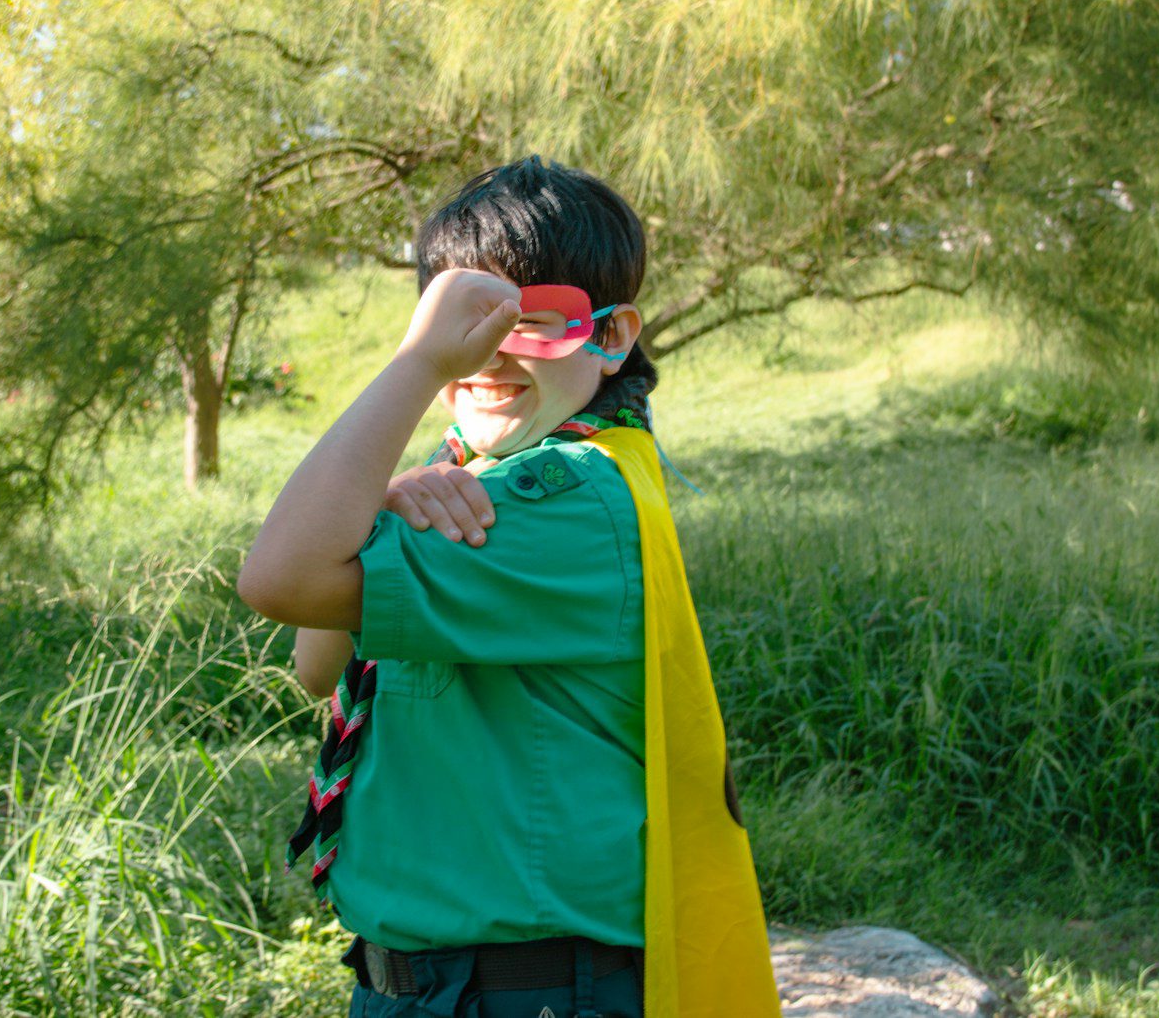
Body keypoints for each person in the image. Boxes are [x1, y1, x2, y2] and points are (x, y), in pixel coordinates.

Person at [237, 156, 781, 1018]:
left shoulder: (563, 501)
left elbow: (279, 579)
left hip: (520, 994)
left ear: (610, 336)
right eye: (465, 322)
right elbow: (316, 662)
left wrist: (417, 368)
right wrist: (386, 499)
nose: (489, 353)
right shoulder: (469, 487)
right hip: (425, 984)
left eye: (536, 322)